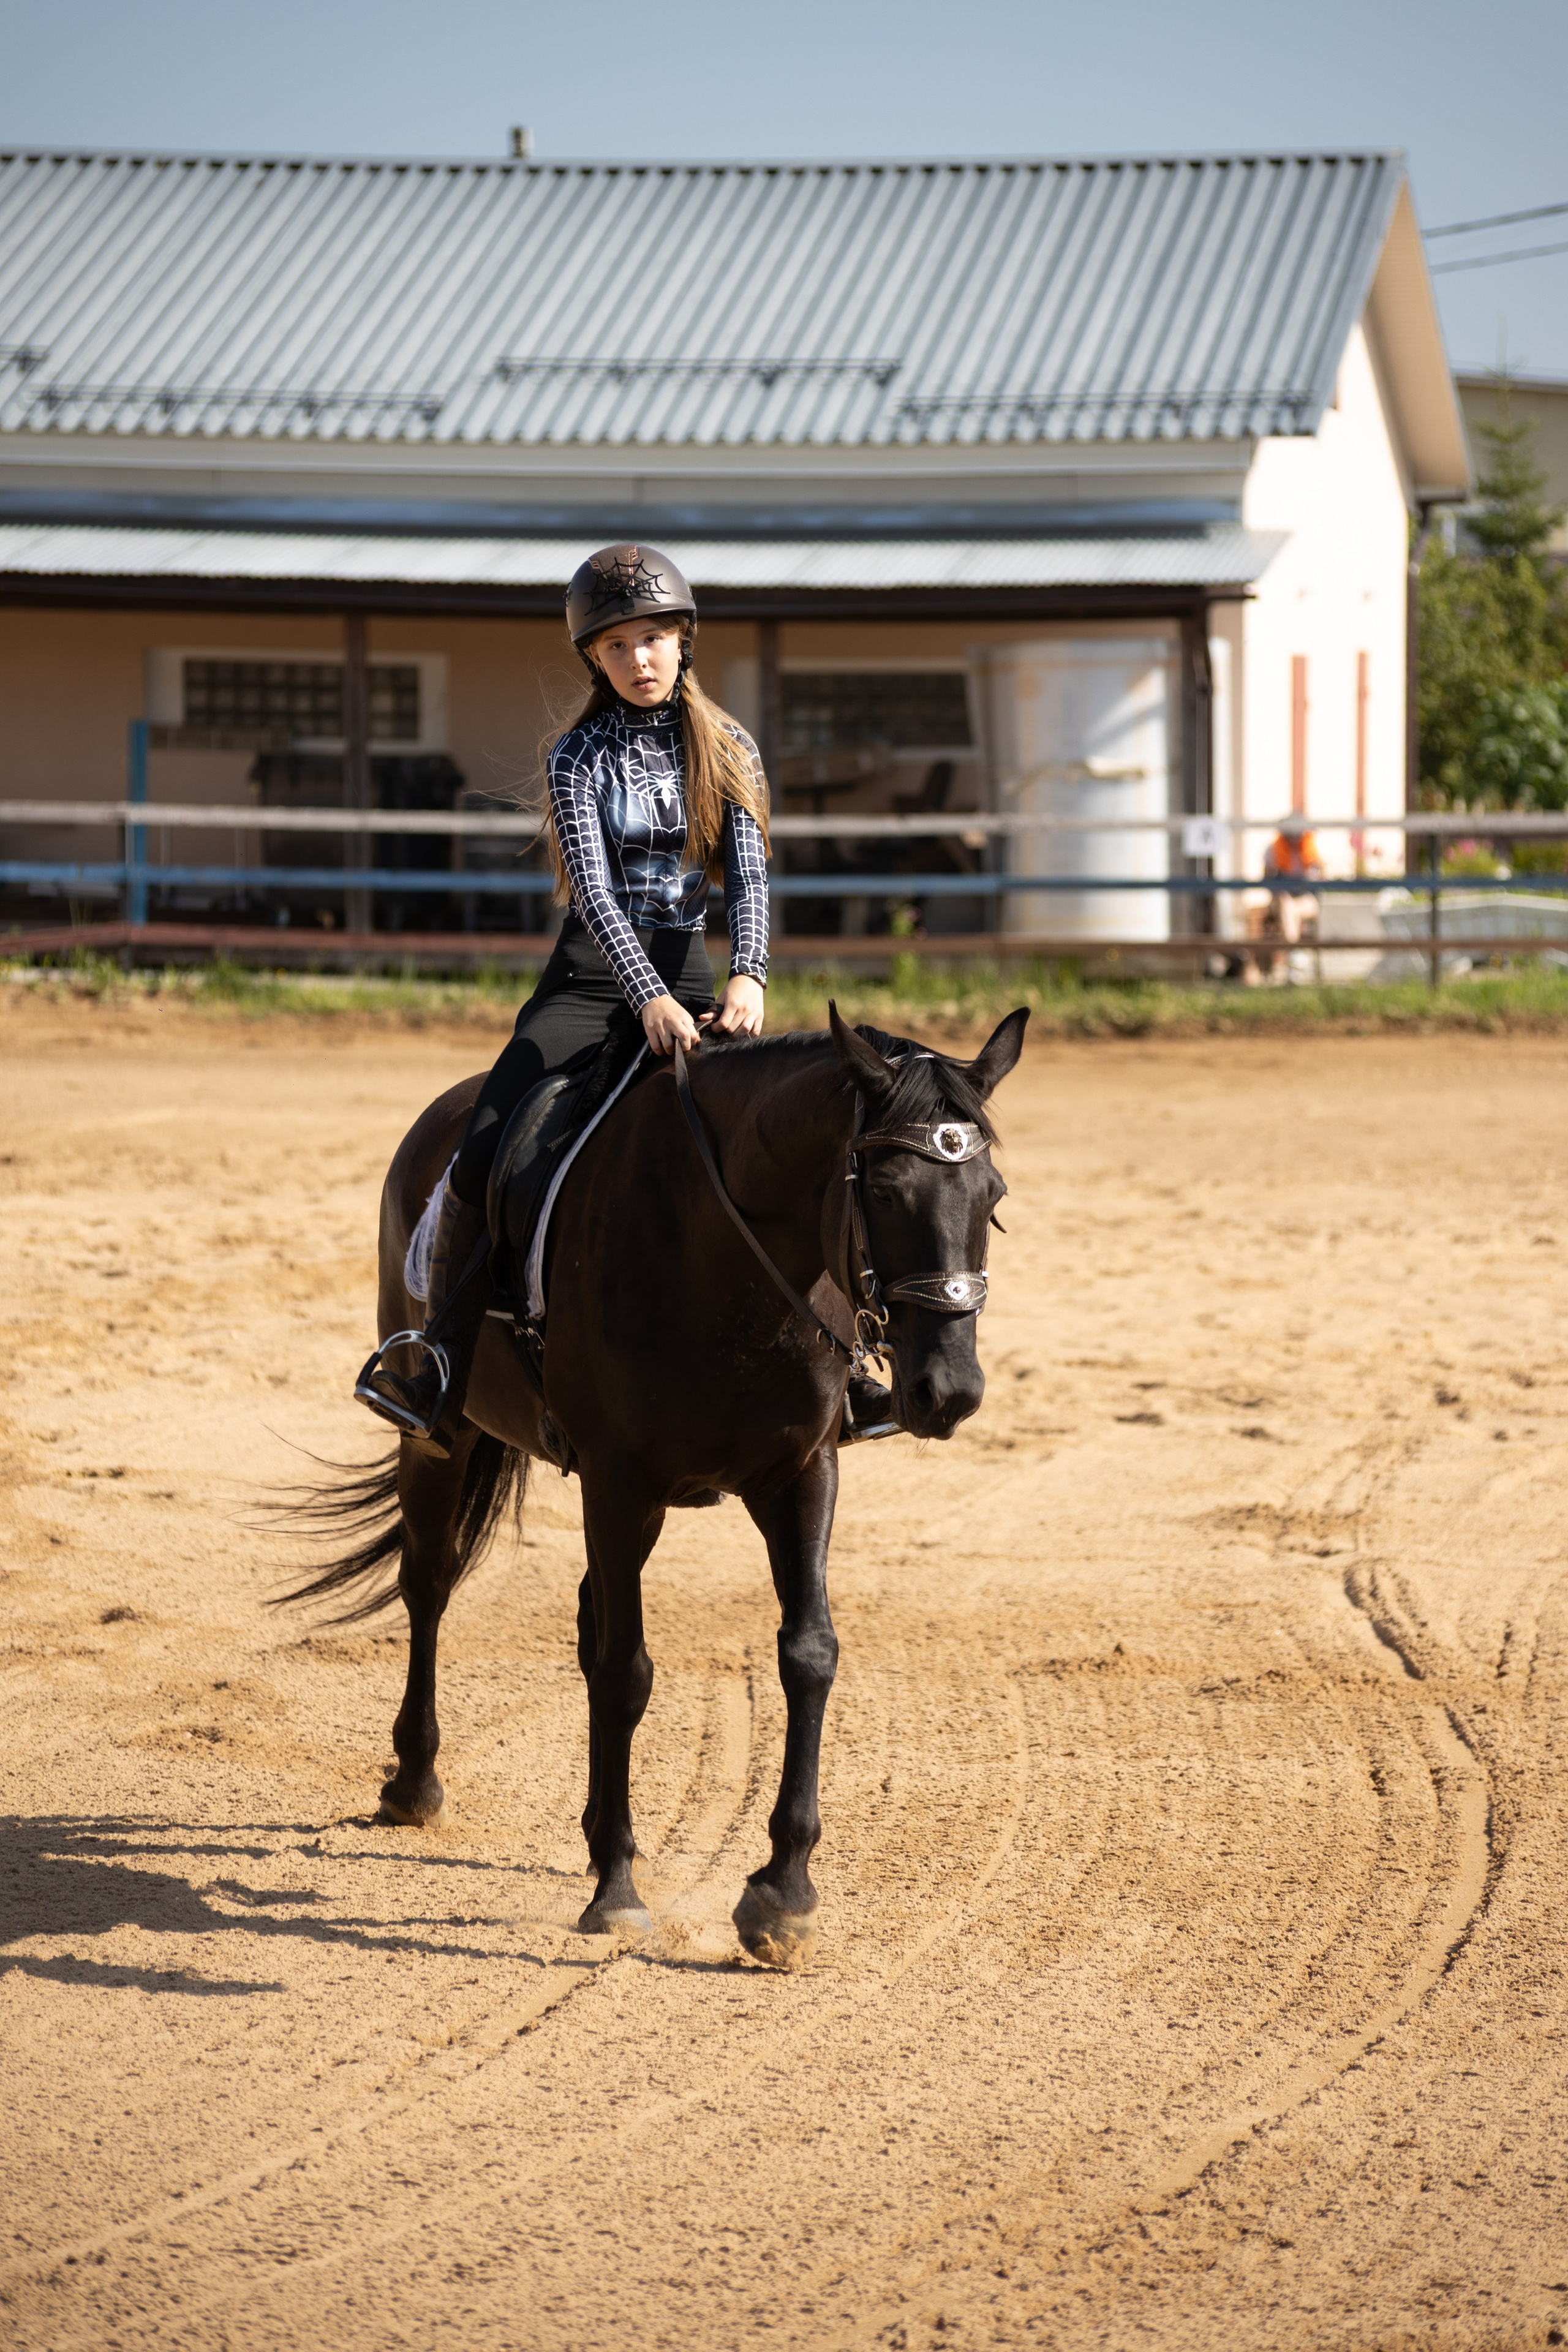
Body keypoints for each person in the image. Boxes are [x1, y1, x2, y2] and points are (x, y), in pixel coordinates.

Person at [355, 542, 894, 1457]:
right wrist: (646, 996)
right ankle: (436, 1361)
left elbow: (750, 877)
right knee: (486, 1144)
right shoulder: (577, 757)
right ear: (593, 659)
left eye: (653, 638)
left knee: (782, 1144)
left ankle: (846, 1369)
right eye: (616, 645)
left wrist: (749, 973)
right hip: (588, 982)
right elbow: (595, 894)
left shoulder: (732, 748)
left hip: (696, 977)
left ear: (684, 641)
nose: (639, 658)